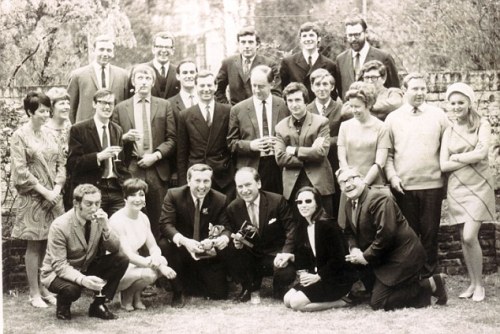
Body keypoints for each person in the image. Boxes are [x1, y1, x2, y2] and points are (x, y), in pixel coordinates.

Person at [336, 168, 448, 311]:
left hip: (402, 257)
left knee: (378, 303)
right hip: (382, 257)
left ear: (361, 178)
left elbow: (386, 235)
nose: (347, 185)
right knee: (374, 293)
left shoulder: (378, 198)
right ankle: (394, 286)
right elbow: (349, 232)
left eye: (351, 179)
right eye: (342, 182)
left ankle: (431, 284)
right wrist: (354, 248)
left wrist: (365, 257)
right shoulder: (349, 204)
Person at [384, 73, 449, 278]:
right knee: (409, 236)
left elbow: (448, 149)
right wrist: (393, 178)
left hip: (432, 185)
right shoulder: (393, 118)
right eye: (415, 89)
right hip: (404, 186)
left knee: (430, 235)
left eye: (423, 88)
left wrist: (445, 181)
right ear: (404, 91)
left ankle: (430, 278)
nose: (420, 93)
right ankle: (412, 277)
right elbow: (387, 154)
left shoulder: (439, 115)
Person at [440, 83, 495, 302]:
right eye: (452, 103)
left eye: (461, 102)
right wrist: (464, 159)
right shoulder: (448, 130)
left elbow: (481, 153)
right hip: (457, 188)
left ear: (469, 103)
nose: (456, 107)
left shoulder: (483, 124)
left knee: (470, 234)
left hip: (479, 185)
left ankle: (480, 285)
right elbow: (443, 165)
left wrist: (457, 158)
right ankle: (472, 284)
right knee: (464, 238)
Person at [40, 184, 129, 320]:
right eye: (89, 204)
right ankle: (63, 305)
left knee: (121, 259)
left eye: (97, 203)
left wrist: (106, 227)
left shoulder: (99, 219)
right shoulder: (60, 226)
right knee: (72, 290)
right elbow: (59, 265)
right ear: (76, 203)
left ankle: (98, 305)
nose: (94, 208)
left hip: (84, 266)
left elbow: (115, 248)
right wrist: (83, 280)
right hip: (56, 272)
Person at [10, 92, 66, 308]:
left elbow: (62, 162)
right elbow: (21, 171)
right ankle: (33, 292)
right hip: (34, 197)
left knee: (49, 243)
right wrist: (45, 192)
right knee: (34, 245)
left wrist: (58, 188)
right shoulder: (19, 136)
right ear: (30, 112)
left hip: (54, 197)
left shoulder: (51, 135)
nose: (46, 114)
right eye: (41, 111)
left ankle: (44, 287)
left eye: (47, 110)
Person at [113, 64, 176, 239]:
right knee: (134, 215)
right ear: (133, 81)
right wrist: (125, 137)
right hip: (132, 167)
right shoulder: (120, 108)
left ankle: (158, 257)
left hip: (157, 169)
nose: (143, 82)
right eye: (139, 78)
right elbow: (113, 140)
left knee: (159, 218)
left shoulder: (164, 105)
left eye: (147, 78)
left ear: (152, 82)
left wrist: (155, 156)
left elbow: (172, 139)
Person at [158, 164, 231, 307]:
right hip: (182, 250)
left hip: (205, 252)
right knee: (164, 244)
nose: (202, 186)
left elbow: (226, 228)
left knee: (219, 294)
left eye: (206, 181)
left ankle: (195, 281)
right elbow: (165, 225)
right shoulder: (174, 195)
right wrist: (186, 242)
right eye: (197, 181)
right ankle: (177, 291)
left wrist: (222, 239)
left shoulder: (220, 199)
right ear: (188, 180)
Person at [226, 167, 297, 304]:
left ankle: (279, 287)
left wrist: (285, 253)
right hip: (250, 255)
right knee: (230, 250)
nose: (244, 190)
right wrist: (236, 242)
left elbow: (291, 229)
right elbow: (232, 232)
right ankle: (248, 287)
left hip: (275, 254)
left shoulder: (277, 201)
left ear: (258, 184)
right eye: (240, 186)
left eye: (248, 185)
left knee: (285, 274)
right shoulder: (233, 208)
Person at [284, 187, 356, 312]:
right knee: (287, 300)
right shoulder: (303, 226)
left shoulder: (328, 225)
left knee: (296, 303)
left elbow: (339, 260)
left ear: (317, 203)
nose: (303, 205)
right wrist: (291, 257)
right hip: (317, 276)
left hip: (335, 279)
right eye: (299, 202)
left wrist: (319, 276)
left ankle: (343, 301)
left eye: (308, 201)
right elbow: (308, 257)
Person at [109, 178, 176, 311]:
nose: (138, 199)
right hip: (118, 267)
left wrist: (157, 258)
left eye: (141, 194)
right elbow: (128, 256)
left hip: (135, 263)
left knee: (161, 259)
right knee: (150, 274)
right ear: (125, 198)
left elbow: (153, 246)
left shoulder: (143, 217)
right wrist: (160, 267)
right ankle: (127, 296)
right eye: (132, 195)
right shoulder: (117, 220)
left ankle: (136, 296)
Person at [67, 89, 131, 217]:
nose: (107, 107)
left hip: (115, 188)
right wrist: (99, 156)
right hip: (93, 188)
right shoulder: (79, 129)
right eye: (103, 102)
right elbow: (73, 164)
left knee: (118, 227)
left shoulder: (117, 130)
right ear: (94, 104)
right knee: (94, 229)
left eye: (111, 104)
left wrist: (127, 185)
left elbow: (121, 164)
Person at [275, 82, 335, 216]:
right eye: (290, 100)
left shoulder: (321, 122)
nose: (294, 104)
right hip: (293, 184)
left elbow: (321, 153)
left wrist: (294, 150)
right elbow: (280, 158)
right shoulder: (280, 127)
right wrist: (309, 154)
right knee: (298, 227)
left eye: (297, 100)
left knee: (324, 223)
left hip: (319, 182)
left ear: (306, 101)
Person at [227, 64, 289, 194]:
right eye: (253, 85)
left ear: (272, 84)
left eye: (261, 86)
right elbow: (231, 143)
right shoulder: (238, 109)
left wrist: (280, 143)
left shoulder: (284, 105)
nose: (256, 90)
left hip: (278, 166)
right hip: (251, 166)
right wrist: (251, 145)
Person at [177, 70, 235, 198]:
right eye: (202, 86)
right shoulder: (186, 115)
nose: (206, 89)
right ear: (196, 87)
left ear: (215, 87)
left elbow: (232, 144)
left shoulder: (228, 111)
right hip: (198, 176)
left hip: (224, 176)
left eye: (209, 85)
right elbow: (182, 152)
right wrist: (183, 182)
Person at [306, 68, 350, 215]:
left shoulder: (341, 109)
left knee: (337, 205)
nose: (322, 88)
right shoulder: (306, 110)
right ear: (312, 87)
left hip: (335, 162)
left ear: (332, 87)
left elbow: (347, 136)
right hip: (314, 165)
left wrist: (325, 142)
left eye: (326, 84)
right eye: (317, 84)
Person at [67, 35, 129, 123]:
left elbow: (126, 106)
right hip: (86, 130)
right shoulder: (78, 75)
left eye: (109, 50)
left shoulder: (123, 75)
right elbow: (70, 109)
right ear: (93, 51)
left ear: (113, 52)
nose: (105, 54)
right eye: (101, 49)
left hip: (114, 129)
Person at [336, 16, 399, 100]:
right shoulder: (341, 59)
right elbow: (341, 91)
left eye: (357, 35)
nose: (353, 39)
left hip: (378, 111)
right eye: (350, 35)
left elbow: (394, 90)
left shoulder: (384, 57)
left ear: (366, 33)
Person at [215, 26, 281, 105]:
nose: (247, 46)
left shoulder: (269, 64)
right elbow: (218, 90)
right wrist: (227, 108)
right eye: (243, 42)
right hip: (236, 113)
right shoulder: (228, 63)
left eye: (250, 42)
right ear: (238, 44)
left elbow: (276, 93)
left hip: (260, 113)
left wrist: (264, 107)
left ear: (257, 45)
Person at [280, 22, 338, 101]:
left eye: (311, 35)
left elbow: (333, 94)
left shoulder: (330, 65)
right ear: (300, 40)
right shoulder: (288, 63)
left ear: (318, 38)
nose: (308, 39)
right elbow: (283, 91)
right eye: (304, 36)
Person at [45, 87, 73, 210]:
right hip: (51, 181)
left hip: (71, 179)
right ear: (51, 107)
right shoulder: (44, 129)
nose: (67, 107)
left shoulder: (70, 126)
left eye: (68, 103)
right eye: (62, 103)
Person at [133, 31, 180, 100]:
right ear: (153, 49)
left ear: (173, 50)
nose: (164, 50)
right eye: (160, 46)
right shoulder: (139, 70)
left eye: (167, 47)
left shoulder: (178, 72)